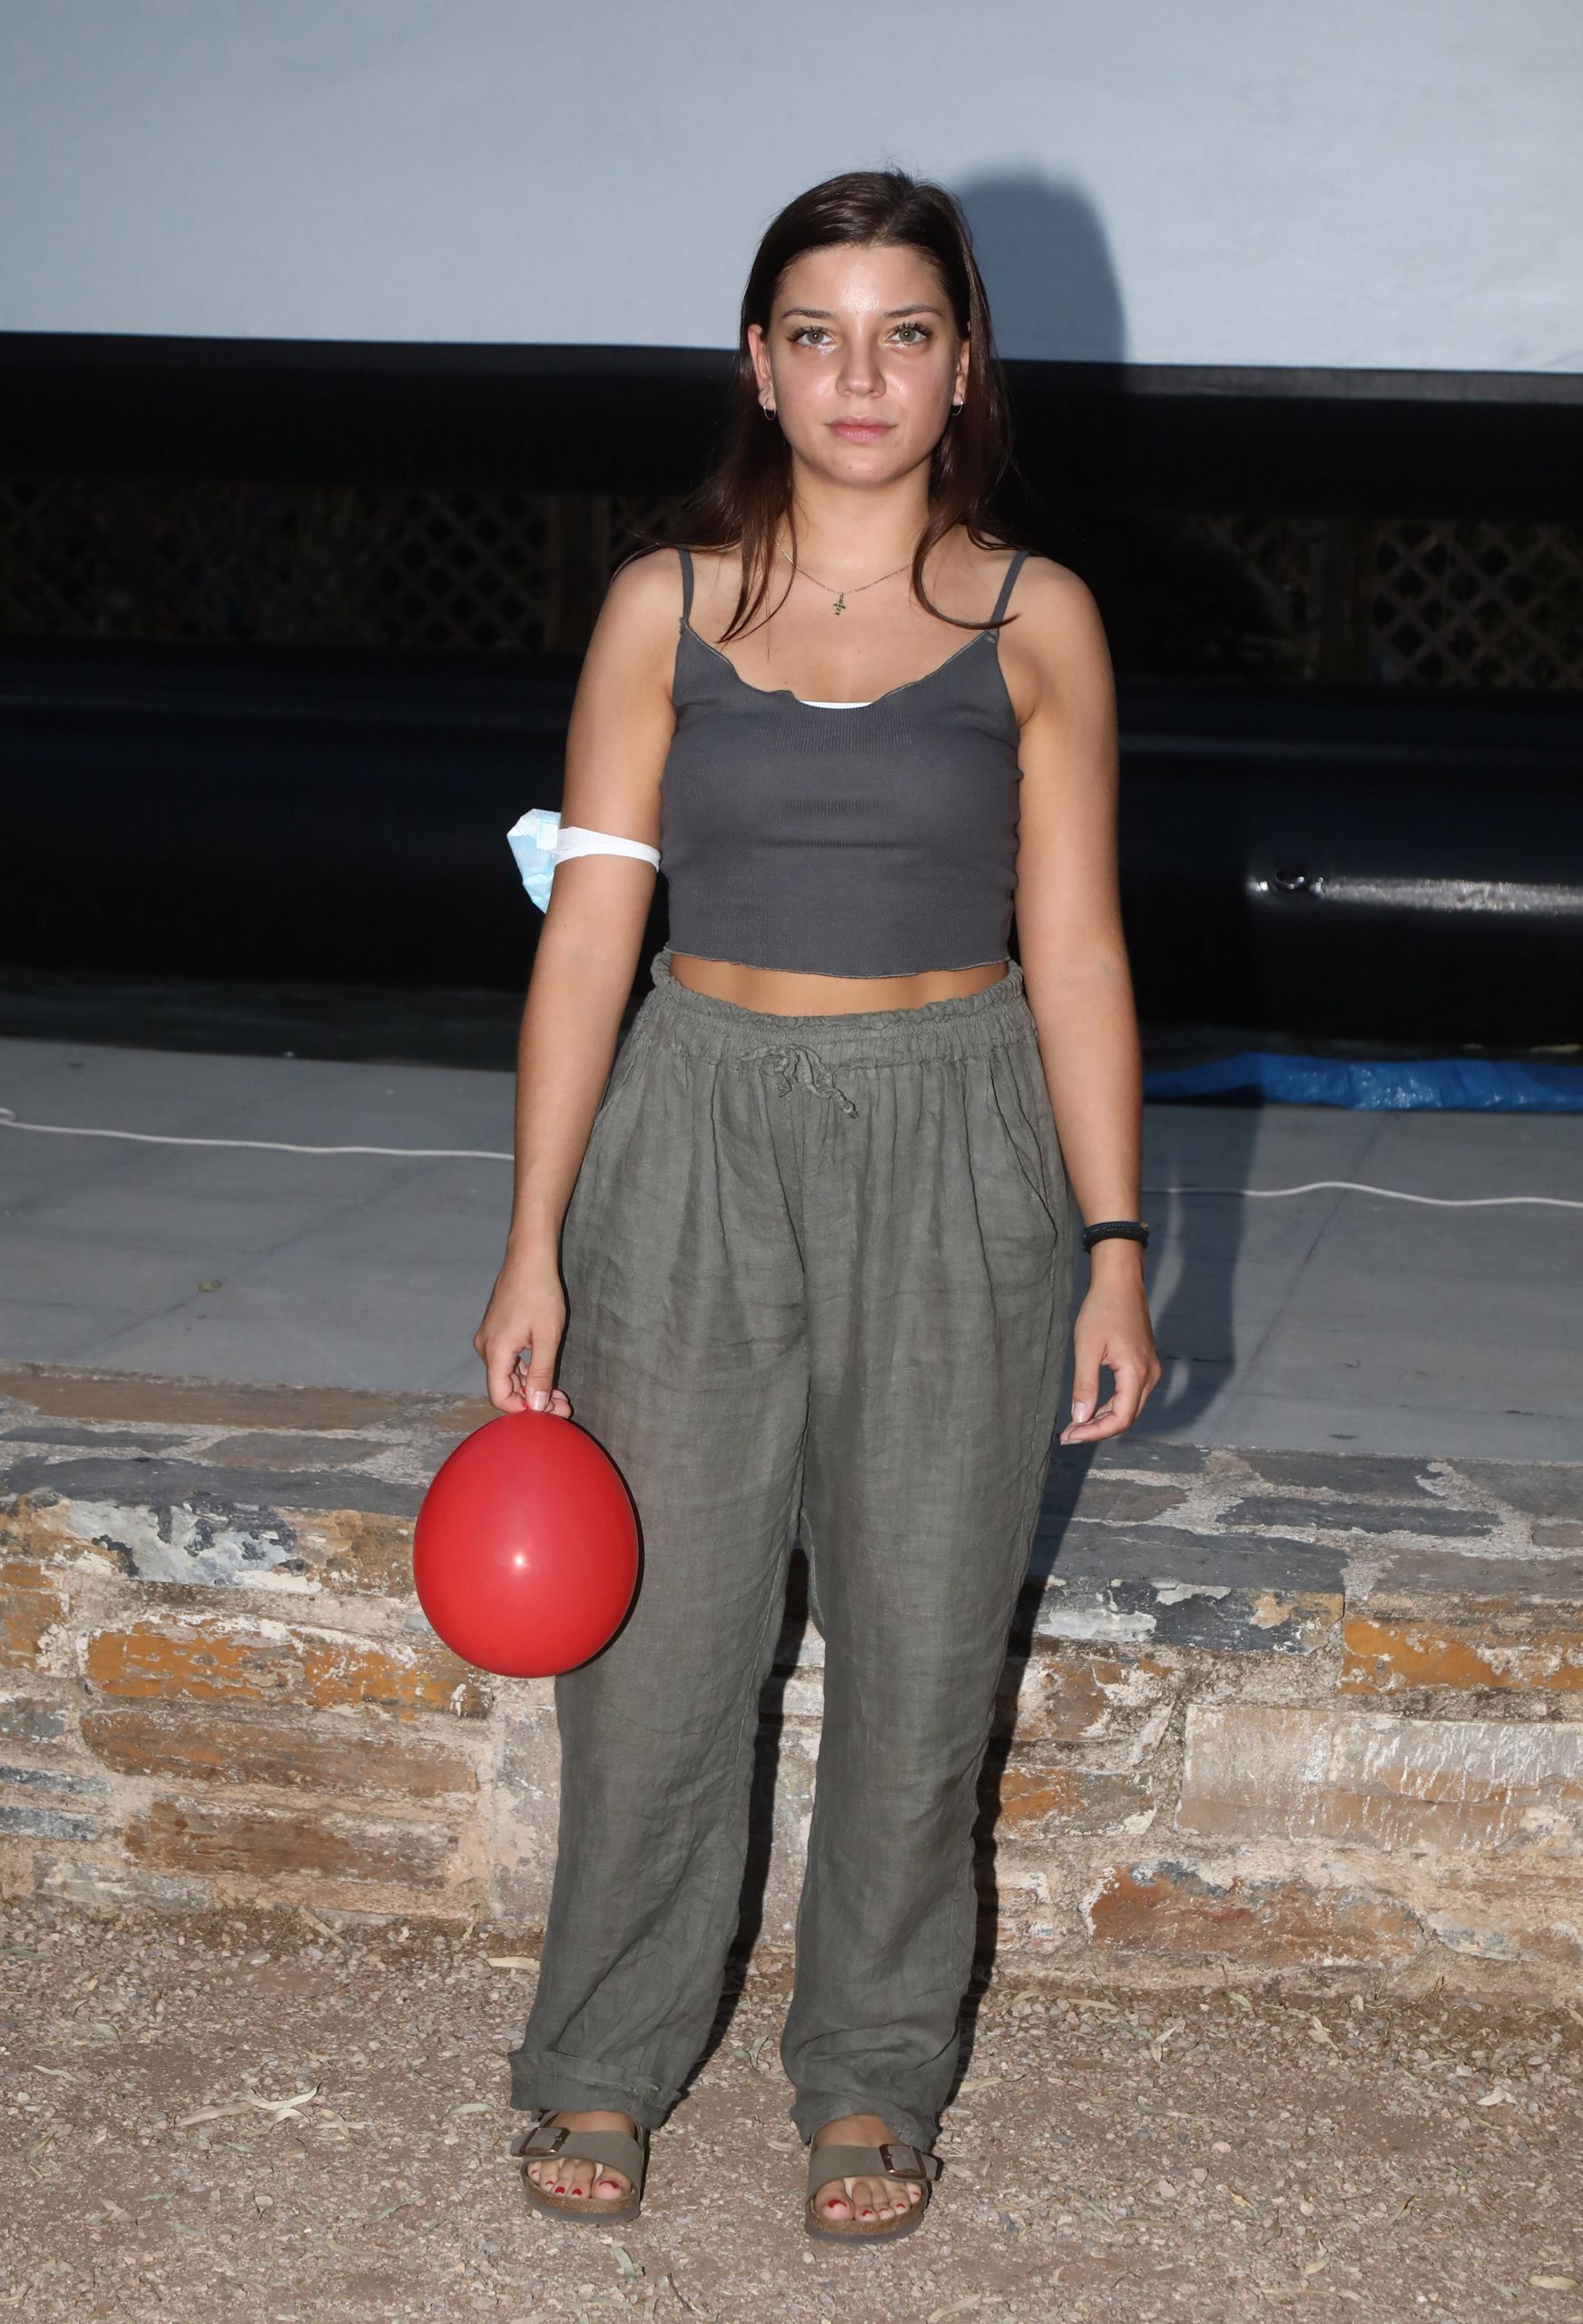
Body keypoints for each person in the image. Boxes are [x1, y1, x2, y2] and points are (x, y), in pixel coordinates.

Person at [474, 167, 1161, 2248]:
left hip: (957, 1139)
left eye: (901, 333)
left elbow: (1077, 947)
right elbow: (588, 937)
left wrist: (1112, 1240)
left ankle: (870, 2070)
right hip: (694, 1134)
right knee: (658, 1650)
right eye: (814, 333)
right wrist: (532, 1233)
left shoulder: (1036, 618)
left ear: (959, 368)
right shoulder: (660, 607)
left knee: (922, 1646)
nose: (858, 375)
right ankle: (603, 2048)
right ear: (757, 366)